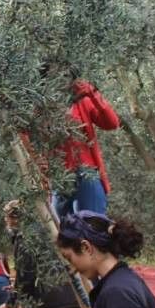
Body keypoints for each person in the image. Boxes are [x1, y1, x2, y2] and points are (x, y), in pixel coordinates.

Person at [39, 63, 120, 221]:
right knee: (65, 232)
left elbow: (112, 124)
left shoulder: (82, 102)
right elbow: (26, 135)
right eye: (54, 76)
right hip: (58, 178)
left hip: (87, 173)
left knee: (93, 225)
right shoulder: (41, 109)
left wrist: (93, 93)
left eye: (65, 75)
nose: (61, 80)